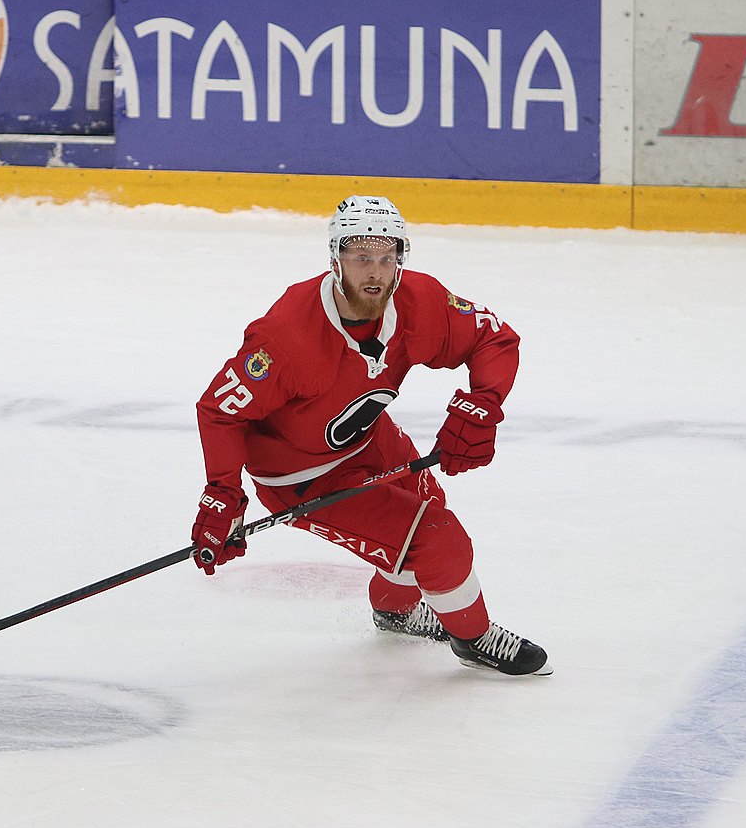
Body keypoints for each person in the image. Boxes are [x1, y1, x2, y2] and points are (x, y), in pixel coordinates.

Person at [190, 195, 551, 677]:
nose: (375, 272)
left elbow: (494, 338)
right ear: (335, 259)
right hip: (302, 477)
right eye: (361, 257)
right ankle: (474, 638)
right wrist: (223, 493)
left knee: (426, 512)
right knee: (438, 540)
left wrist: (484, 403)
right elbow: (220, 412)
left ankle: (395, 612)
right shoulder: (288, 335)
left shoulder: (418, 301)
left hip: (370, 439)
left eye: (386, 257)